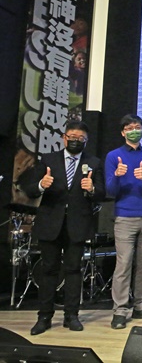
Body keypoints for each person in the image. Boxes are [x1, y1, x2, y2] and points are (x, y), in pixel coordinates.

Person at [21, 121, 105, 335]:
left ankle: (71, 315)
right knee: (48, 270)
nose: (76, 141)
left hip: (78, 224)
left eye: (81, 139)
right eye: (72, 137)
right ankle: (44, 316)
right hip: (50, 223)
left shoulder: (93, 162)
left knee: (74, 270)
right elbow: (29, 189)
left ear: (86, 141)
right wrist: (41, 185)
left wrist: (92, 189)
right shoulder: (48, 160)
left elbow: (102, 193)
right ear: (64, 138)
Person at [105, 114, 142, 329]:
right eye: (129, 128)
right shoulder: (113, 156)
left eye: (137, 127)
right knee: (123, 264)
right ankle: (120, 310)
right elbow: (110, 191)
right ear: (122, 132)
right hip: (124, 217)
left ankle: (140, 305)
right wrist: (117, 176)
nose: (134, 130)